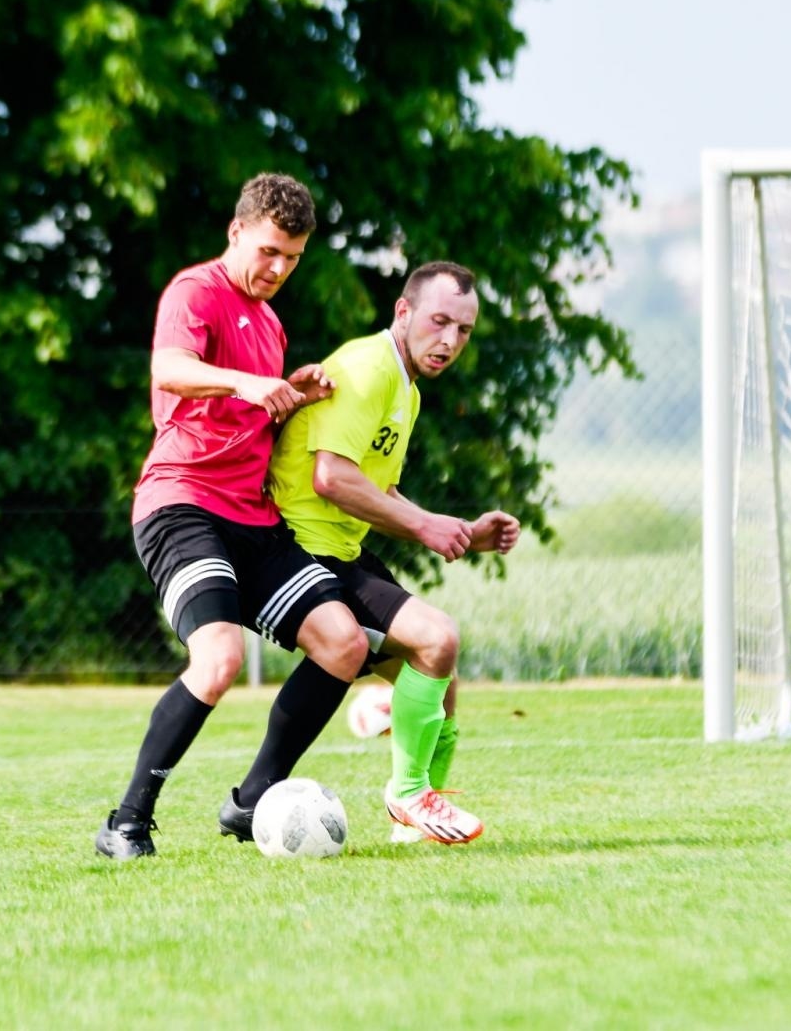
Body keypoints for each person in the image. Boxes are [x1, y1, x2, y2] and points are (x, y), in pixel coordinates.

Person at [96, 173, 372, 861]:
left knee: (345, 643)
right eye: (270, 251)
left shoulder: (271, 325)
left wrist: (294, 394)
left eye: (294, 258)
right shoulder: (197, 292)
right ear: (237, 232)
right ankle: (126, 821)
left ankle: (253, 802)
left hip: (251, 517)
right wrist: (250, 382)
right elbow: (171, 368)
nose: (278, 269)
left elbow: (251, 418)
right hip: (181, 504)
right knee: (218, 658)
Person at [217, 260, 520, 846]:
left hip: (338, 552)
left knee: (437, 669)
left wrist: (459, 529)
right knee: (436, 638)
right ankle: (407, 797)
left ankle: (418, 816)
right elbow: (332, 476)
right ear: (403, 312)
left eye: (464, 330)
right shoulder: (367, 367)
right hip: (299, 552)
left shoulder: (405, 390)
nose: (450, 341)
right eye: (439, 322)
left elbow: (376, 488)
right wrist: (427, 525)